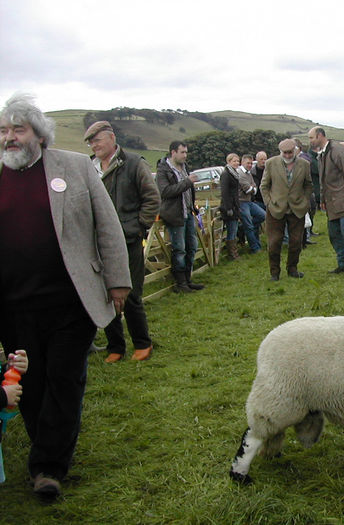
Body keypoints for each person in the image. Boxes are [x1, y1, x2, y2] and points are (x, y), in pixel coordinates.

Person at [0, 93, 131, 499]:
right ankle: (47, 445)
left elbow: (107, 226)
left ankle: (48, 467)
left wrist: (118, 281)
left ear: (39, 134)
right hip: (12, 305)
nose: (9, 138)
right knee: (30, 383)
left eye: (18, 130)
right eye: (3, 131)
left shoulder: (74, 167)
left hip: (71, 300)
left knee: (64, 379)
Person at [84, 121, 160, 363]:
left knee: (131, 293)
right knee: (105, 294)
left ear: (111, 138)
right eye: (90, 142)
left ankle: (142, 344)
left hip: (127, 239)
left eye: (97, 140)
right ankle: (115, 347)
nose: (93, 145)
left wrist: (137, 227)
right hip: (97, 242)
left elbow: (152, 198)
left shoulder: (134, 163)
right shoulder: (88, 167)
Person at [307, 126, 344, 273]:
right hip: (331, 202)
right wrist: (322, 198)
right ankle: (343, 264)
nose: (310, 141)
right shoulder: (322, 153)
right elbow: (323, 179)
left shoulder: (337, 150)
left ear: (320, 136)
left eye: (311, 138)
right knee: (334, 235)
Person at [260, 139, 312, 281]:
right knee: (274, 242)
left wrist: (305, 201)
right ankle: (274, 272)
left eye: (290, 152)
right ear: (280, 152)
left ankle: (292, 268)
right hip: (275, 209)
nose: (288, 155)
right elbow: (264, 186)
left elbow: (308, 185)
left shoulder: (304, 164)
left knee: (296, 241)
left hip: (297, 208)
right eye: (285, 153)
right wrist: (269, 203)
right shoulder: (271, 163)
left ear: (295, 150)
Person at [156, 141, 205, 293]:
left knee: (192, 246)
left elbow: (188, 191)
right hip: (174, 215)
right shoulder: (163, 171)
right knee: (180, 249)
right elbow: (165, 192)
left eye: (186, 152)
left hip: (188, 212)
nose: (185, 155)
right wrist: (187, 182)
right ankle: (180, 283)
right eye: (182, 152)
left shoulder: (184, 167)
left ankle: (188, 279)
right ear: (173, 152)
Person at [237, 154, 266, 253]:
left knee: (263, 215)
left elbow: (255, 187)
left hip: (249, 202)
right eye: (248, 163)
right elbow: (248, 189)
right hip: (241, 202)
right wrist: (252, 188)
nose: (250, 165)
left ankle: (242, 227)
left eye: (251, 163)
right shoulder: (240, 174)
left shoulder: (248, 173)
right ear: (242, 163)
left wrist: (252, 188)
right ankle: (255, 248)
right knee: (249, 225)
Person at [219, 153, 242, 260]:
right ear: (228, 162)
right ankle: (232, 254)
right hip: (229, 207)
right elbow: (225, 192)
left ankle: (234, 252)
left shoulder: (234, 173)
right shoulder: (226, 174)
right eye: (234, 161)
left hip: (235, 205)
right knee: (231, 230)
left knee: (234, 228)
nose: (237, 163)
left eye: (238, 161)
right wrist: (228, 208)